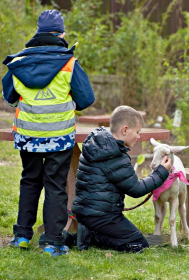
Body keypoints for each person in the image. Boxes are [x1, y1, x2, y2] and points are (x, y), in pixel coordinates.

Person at [2, 10, 95, 256]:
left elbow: (10, 97)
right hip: (59, 136)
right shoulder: (69, 63)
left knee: (30, 181)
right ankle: (53, 242)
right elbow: (86, 99)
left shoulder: (19, 62)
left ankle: (21, 236)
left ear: (38, 32)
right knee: (55, 185)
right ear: (61, 33)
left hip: (28, 135)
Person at [72, 105, 172, 253]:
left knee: (132, 238)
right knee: (138, 243)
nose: (138, 137)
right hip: (102, 215)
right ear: (125, 130)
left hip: (87, 211)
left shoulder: (100, 142)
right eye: (137, 132)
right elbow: (136, 189)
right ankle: (91, 236)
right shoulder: (114, 154)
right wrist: (162, 172)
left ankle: (89, 232)